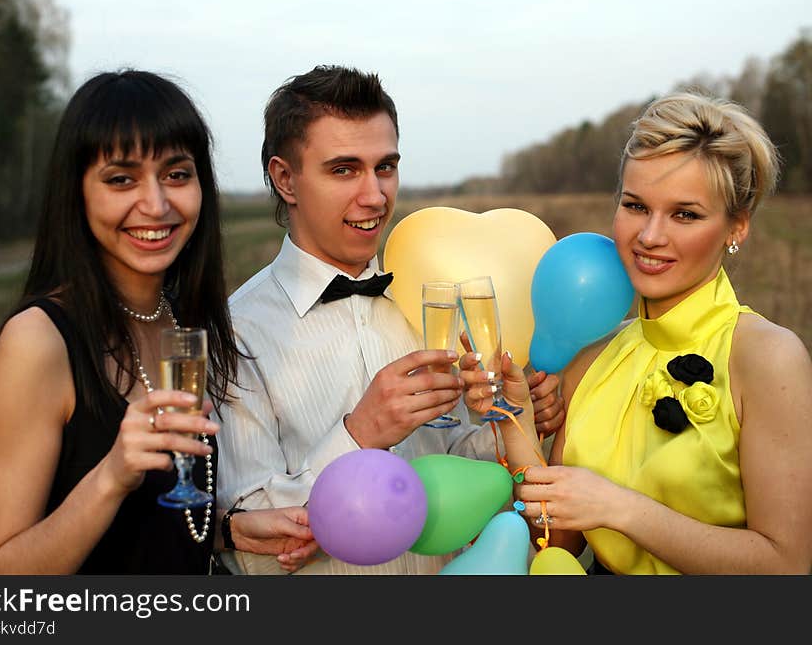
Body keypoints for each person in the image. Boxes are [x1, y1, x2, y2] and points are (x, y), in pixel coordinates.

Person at [216, 64, 563, 575]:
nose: (376, 196)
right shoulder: (236, 333)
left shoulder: (430, 300)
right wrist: (359, 435)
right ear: (285, 178)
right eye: (344, 169)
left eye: (385, 166)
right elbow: (252, 556)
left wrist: (508, 420)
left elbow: (464, 472)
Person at [0, 69, 316, 574]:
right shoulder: (38, 342)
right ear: (77, 193)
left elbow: (144, 530)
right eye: (121, 179)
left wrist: (226, 528)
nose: (156, 205)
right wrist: (111, 475)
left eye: (177, 174)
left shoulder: (184, 324)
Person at [461, 91, 812, 574]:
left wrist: (622, 509)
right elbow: (558, 538)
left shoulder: (767, 357)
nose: (650, 236)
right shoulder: (593, 356)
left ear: (738, 227)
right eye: (636, 206)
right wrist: (513, 419)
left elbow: (788, 566)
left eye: (685, 214)